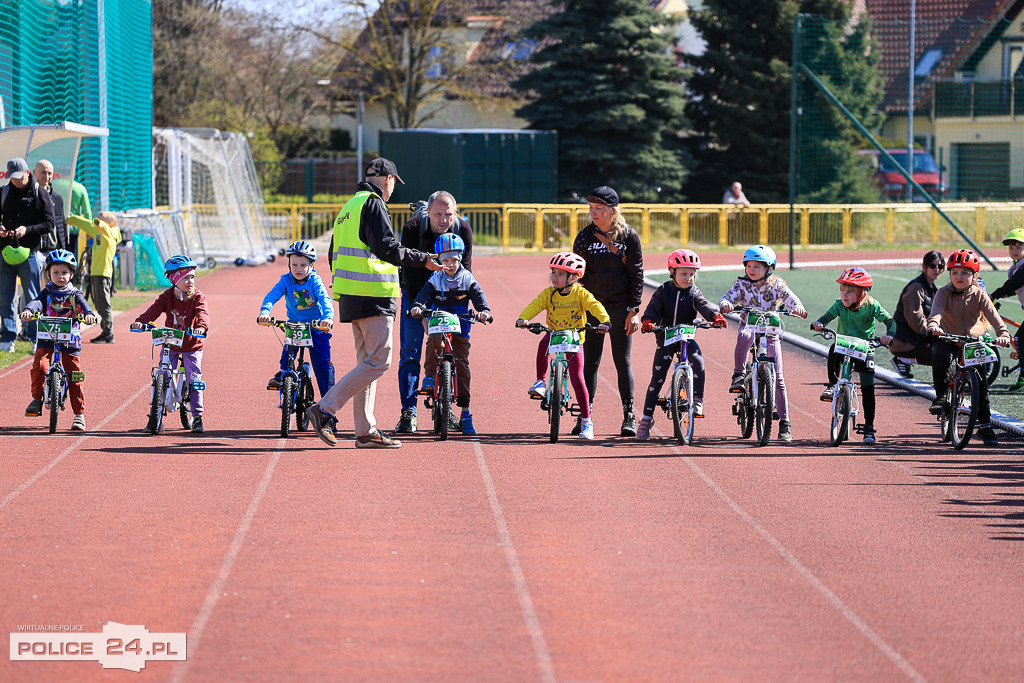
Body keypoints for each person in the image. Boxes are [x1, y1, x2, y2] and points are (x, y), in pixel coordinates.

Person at [305, 157, 441, 449]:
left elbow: (333, 253)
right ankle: (325, 409)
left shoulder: (348, 207)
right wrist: (423, 259)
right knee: (380, 361)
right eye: (394, 183)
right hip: (373, 296)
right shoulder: (374, 203)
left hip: (352, 297)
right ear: (387, 180)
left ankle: (365, 431)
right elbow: (387, 248)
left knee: (366, 363)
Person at [395, 190, 474, 434]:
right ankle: (409, 412)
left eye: (448, 214)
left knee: (452, 350)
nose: (443, 220)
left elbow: (467, 275)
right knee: (410, 352)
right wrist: (424, 313)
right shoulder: (413, 228)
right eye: (438, 214)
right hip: (416, 293)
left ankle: (447, 407)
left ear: (456, 213)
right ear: (428, 212)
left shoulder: (463, 231)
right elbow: (409, 271)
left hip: (450, 298)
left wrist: (471, 310)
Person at [572, 186, 644, 436]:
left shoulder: (628, 237)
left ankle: (629, 416)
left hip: (620, 306)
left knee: (621, 361)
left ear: (612, 211)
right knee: (590, 362)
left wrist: (634, 310)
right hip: (592, 307)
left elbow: (637, 274)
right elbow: (575, 275)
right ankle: (585, 416)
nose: (593, 213)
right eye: (591, 208)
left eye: (599, 209)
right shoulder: (584, 237)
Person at [516, 252, 610, 440]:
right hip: (554, 333)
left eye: (560, 274)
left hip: (575, 338)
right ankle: (540, 381)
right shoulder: (548, 293)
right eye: (553, 273)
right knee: (543, 344)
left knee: (577, 377)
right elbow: (536, 304)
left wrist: (605, 320)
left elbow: (595, 305)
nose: (554, 277)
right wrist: (524, 318)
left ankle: (586, 421)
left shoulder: (580, 293)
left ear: (573, 278)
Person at [719, 245, 807, 441]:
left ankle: (784, 422)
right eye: (749, 266)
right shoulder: (741, 284)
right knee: (745, 336)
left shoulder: (776, 284)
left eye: (757, 266)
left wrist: (797, 307)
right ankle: (739, 374)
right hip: (749, 328)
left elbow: (789, 297)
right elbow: (729, 297)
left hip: (770, 331)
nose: (751, 270)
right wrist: (726, 303)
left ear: (770, 268)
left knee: (779, 378)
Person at [637, 249, 727, 440]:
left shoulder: (694, 293)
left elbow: (704, 305)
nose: (688, 278)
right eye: (683, 273)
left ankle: (697, 400)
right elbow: (652, 310)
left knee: (698, 362)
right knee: (657, 379)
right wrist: (648, 322)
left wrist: (715, 316)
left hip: (686, 340)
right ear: (672, 272)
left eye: (692, 274)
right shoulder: (663, 291)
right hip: (666, 339)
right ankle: (646, 419)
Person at [410, 233, 491, 435]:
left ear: (460, 259)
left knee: (462, 364)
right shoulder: (436, 278)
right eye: (445, 260)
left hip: (461, 326)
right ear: (439, 261)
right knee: (432, 341)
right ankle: (429, 377)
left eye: (454, 260)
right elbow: (424, 295)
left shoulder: (467, 278)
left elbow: (478, 296)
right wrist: (418, 307)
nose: (450, 264)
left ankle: (465, 412)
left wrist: (484, 311)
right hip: (439, 324)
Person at [927, 249, 1010, 446]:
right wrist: (934, 326)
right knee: (940, 358)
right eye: (954, 272)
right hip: (948, 338)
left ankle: (985, 427)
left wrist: (1003, 334)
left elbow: (994, 318)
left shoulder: (979, 294)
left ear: (974, 275)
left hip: (972, 342)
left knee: (981, 385)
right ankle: (940, 398)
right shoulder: (943, 292)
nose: (959, 277)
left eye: (965, 272)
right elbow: (936, 313)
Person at [810, 268, 895, 445]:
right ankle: (833, 385)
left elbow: (890, 321)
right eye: (842, 290)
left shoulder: (872, 305)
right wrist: (819, 323)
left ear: (862, 294)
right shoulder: (839, 305)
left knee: (868, 389)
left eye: (850, 291)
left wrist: (889, 336)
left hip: (865, 348)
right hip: (843, 345)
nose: (844, 295)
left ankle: (869, 428)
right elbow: (827, 316)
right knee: (834, 348)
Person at [131, 255, 210, 434]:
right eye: (185, 278)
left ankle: (197, 416)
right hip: (171, 342)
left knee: (194, 378)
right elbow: (153, 311)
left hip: (192, 344)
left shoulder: (198, 297)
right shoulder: (167, 296)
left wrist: (201, 327)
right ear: (174, 280)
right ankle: (154, 415)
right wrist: (140, 322)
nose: (190, 281)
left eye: (192, 277)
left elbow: (203, 313)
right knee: (161, 373)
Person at [20, 249, 96, 431]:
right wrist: (29, 310)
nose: (60, 276)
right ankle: (37, 399)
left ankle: (79, 415)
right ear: (48, 274)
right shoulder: (45, 293)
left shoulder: (75, 294)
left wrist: (89, 315)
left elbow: (84, 307)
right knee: (39, 367)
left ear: (71, 274)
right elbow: (36, 303)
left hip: (70, 339)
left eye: (64, 273)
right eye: (56, 272)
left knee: (74, 375)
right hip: (47, 337)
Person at [258, 240, 335, 399]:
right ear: (289, 265)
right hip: (296, 326)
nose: (298, 269)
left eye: (303, 265)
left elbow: (324, 299)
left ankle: (328, 411)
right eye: (294, 265)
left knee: (322, 369)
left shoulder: (315, 281)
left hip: (316, 327)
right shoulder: (285, 280)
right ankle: (283, 375)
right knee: (288, 353)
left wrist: (327, 317)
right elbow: (272, 296)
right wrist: (265, 313)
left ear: (311, 266)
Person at [1, 157, 55, 351]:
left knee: (32, 297)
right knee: (5, 297)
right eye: (12, 177)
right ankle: (7, 338)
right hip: (6, 252)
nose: (16, 181)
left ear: (27, 173)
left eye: (19, 177)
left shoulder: (39, 193)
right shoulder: (4, 192)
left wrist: (27, 229)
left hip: (30, 254)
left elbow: (49, 224)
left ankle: (34, 337)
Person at [889, 250, 944, 378]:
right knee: (943, 353)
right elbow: (915, 320)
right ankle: (903, 359)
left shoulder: (933, 289)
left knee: (946, 349)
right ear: (924, 267)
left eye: (940, 266)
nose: (937, 269)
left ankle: (906, 360)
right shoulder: (916, 287)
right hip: (905, 342)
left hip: (917, 339)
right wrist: (933, 334)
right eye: (932, 266)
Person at [68, 212, 121, 343]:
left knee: (104, 304)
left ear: (111, 224)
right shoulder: (101, 233)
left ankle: (108, 333)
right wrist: (74, 219)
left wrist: (98, 222)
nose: (98, 222)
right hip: (96, 273)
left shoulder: (110, 233)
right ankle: (105, 332)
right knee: (99, 304)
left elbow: (101, 226)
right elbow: (87, 225)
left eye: (103, 220)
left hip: (102, 273)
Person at [988, 230, 1024, 391]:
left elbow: (1014, 284)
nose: (1014, 251)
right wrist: (998, 296)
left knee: (1020, 339)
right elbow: (1012, 289)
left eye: (1018, 247)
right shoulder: (1017, 266)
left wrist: (993, 295)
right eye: (1011, 248)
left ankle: (1023, 377)